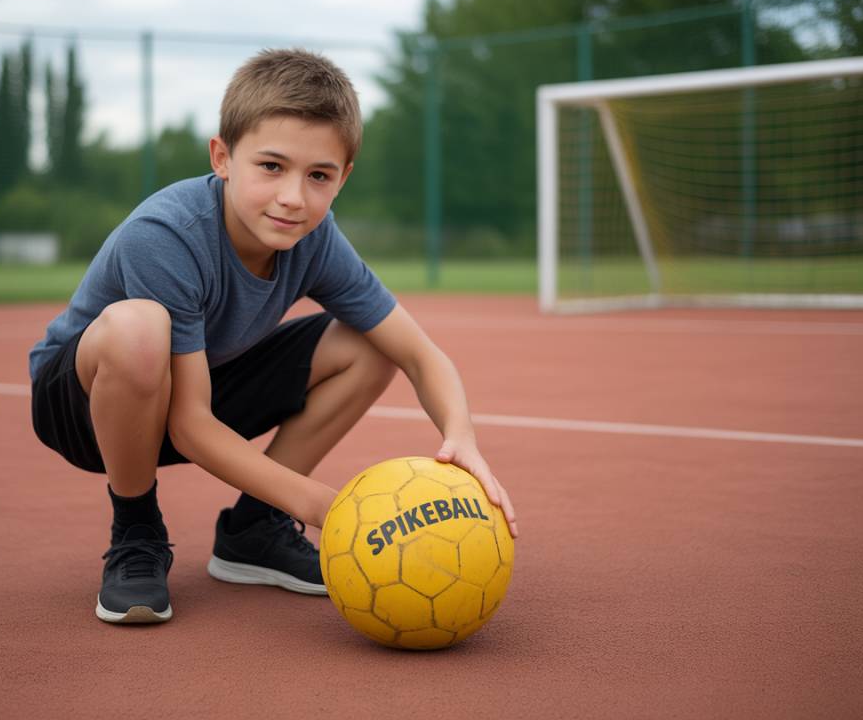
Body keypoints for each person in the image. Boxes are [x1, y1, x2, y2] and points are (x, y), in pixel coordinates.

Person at [29, 48, 517, 625]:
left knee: (369, 343)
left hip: (197, 389)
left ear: (343, 179)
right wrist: (337, 510)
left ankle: (254, 529)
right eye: (271, 167)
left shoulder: (315, 236)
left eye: (318, 176)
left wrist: (461, 436)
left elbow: (417, 352)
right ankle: (136, 528)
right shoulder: (166, 235)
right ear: (223, 157)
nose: (293, 197)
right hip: (87, 404)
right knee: (141, 327)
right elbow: (189, 427)